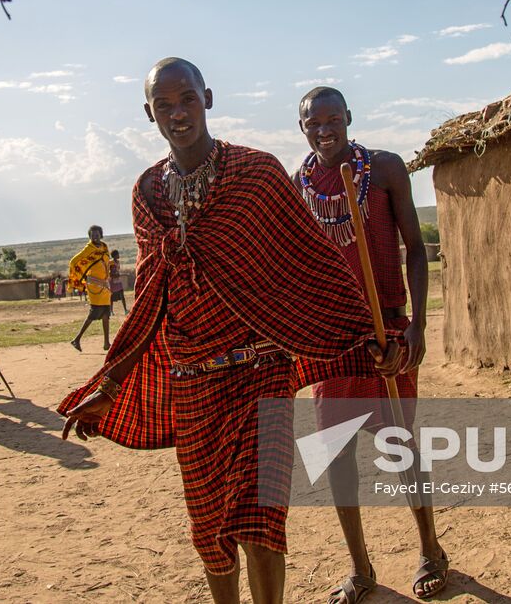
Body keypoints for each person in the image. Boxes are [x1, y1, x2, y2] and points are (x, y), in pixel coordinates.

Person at [60, 58, 405, 604]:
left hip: (260, 373)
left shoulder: (258, 174)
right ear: (147, 111)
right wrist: (108, 385)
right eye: (164, 104)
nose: (178, 113)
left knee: (260, 521)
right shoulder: (149, 191)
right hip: (193, 380)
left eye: (188, 99)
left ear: (209, 98)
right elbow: (151, 296)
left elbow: (311, 265)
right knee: (210, 530)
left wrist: (369, 336)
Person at [295, 86, 448, 602]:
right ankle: (360, 568)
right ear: (302, 128)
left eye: (332, 119)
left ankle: (431, 548)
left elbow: (414, 249)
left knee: (401, 444)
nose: (323, 130)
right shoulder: (301, 186)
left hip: (387, 333)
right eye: (313, 123)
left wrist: (417, 326)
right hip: (334, 342)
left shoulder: (383, 169)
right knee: (336, 454)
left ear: (348, 118)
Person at [68, 225, 113, 350]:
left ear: (101, 234)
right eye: (92, 235)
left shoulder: (104, 247)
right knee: (94, 313)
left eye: (97, 234)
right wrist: (81, 277)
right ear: (90, 236)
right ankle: (76, 339)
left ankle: (106, 343)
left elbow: (107, 262)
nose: (95, 236)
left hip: (104, 285)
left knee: (105, 314)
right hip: (94, 284)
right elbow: (73, 262)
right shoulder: (89, 249)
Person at [108, 249, 129, 314]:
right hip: (112, 281)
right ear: (114, 255)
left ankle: (125, 310)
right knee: (111, 296)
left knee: (122, 295)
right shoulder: (111, 262)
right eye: (117, 254)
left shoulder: (118, 262)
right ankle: (111, 311)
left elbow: (117, 270)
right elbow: (110, 272)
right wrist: (115, 275)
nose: (118, 255)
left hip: (118, 280)